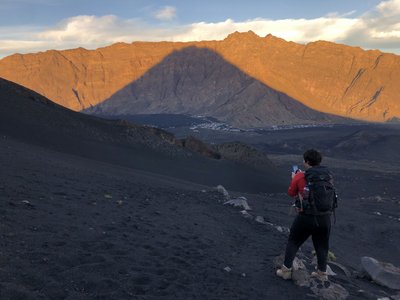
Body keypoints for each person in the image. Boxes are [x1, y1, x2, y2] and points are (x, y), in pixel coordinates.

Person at [276, 149, 334, 281]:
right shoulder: (328, 175)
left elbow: (291, 193)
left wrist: (294, 179)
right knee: (322, 246)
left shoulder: (300, 176)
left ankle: (286, 271)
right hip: (325, 218)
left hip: (307, 217)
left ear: (307, 162)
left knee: (294, 241)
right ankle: (322, 274)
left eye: (304, 160)